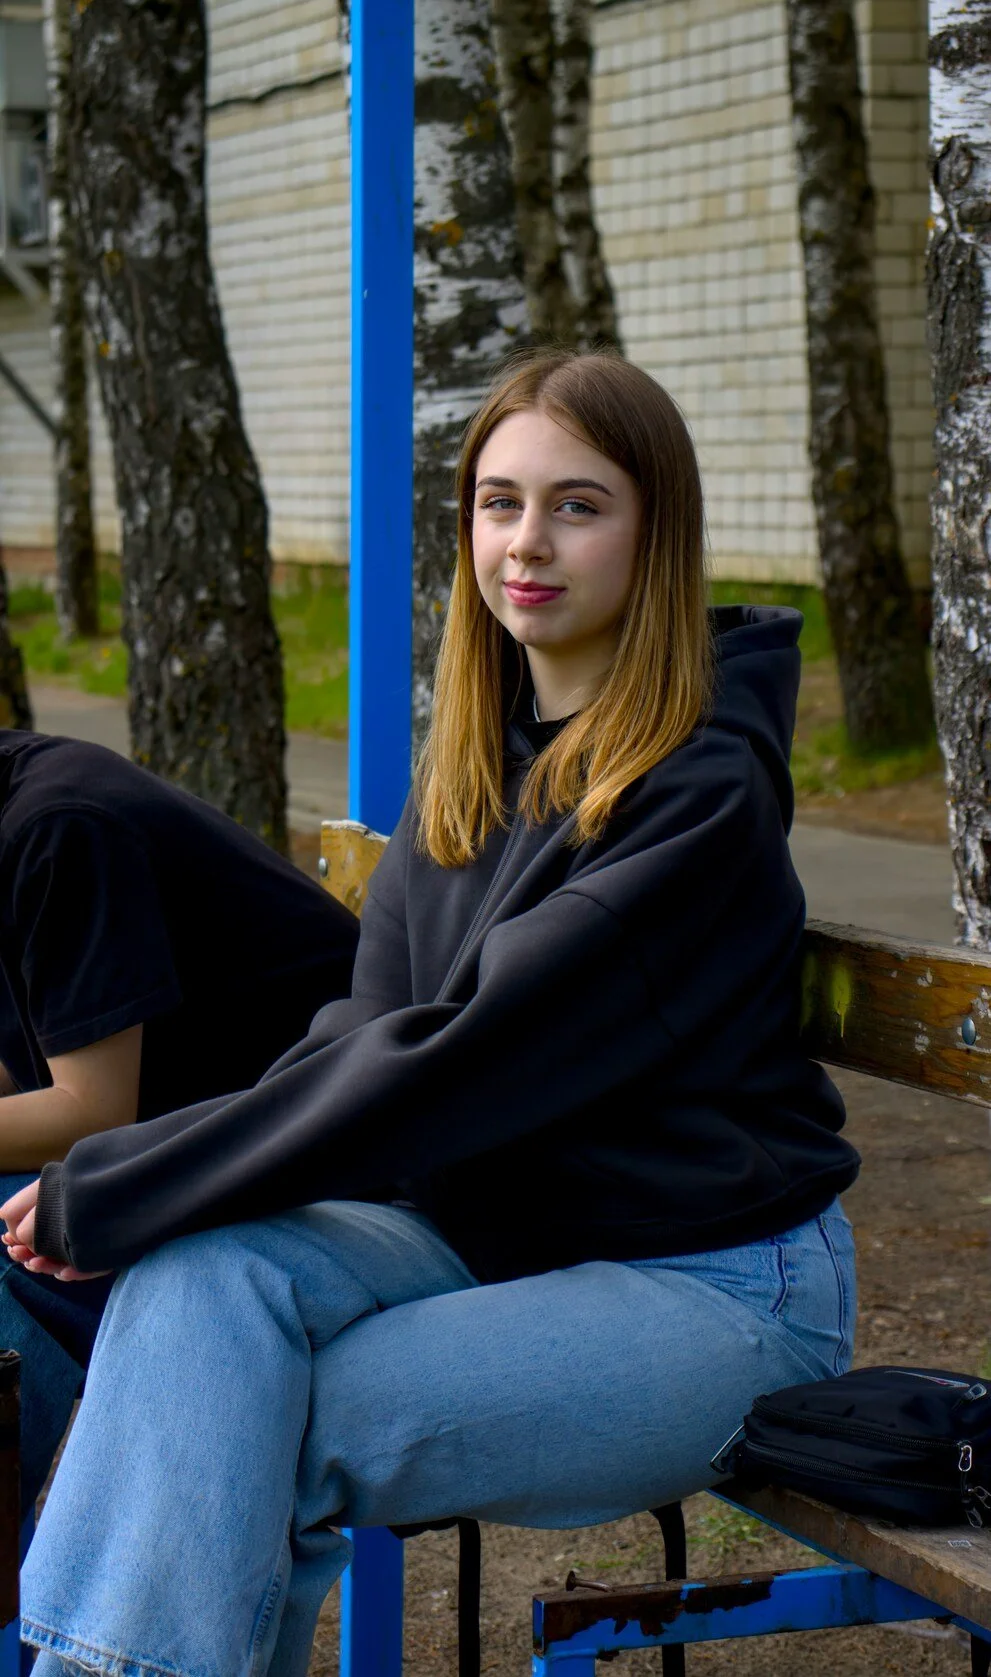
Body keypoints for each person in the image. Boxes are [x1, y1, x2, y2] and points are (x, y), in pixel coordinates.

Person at [5, 350, 858, 1677]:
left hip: (711, 1277)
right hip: (491, 1233)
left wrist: (118, 1176)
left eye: (576, 506)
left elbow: (457, 1060)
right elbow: (355, 1037)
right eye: (497, 503)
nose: (524, 541)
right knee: (197, 1281)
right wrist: (162, 1203)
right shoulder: (474, 768)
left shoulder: (699, 799)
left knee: (236, 1420)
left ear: (656, 534)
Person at [0, 730, 359, 1507]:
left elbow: (85, 1111)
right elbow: (25, 1057)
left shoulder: (57, 829)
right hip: (194, 1154)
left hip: (321, 1176)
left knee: (12, 1265)